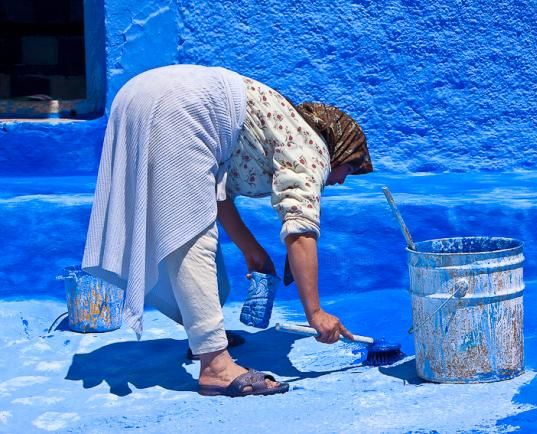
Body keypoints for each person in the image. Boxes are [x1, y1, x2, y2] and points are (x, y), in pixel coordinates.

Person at [82, 65, 373, 397]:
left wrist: (252, 251)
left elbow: (215, 197)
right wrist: (315, 313)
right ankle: (216, 365)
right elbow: (301, 228)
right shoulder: (313, 148)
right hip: (182, 104)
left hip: (139, 92)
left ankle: (205, 338)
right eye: (349, 169)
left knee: (185, 223)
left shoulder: (274, 130)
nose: (340, 181)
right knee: (192, 238)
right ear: (340, 149)